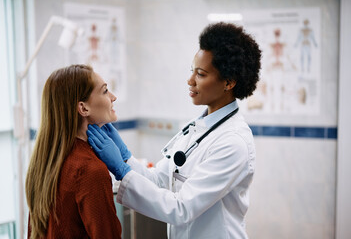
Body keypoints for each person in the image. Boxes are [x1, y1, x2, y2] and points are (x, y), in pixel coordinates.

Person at [88, 22, 261, 238]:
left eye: (201, 74)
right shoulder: (197, 128)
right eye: (192, 71)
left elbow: (181, 209)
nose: (190, 81)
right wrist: (125, 158)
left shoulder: (233, 142)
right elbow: (160, 181)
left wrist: (122, 172)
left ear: (229, 82)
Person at [25, 64, 122, 238]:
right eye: (105, 91)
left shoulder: (44, 163)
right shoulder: (90, 170)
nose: (113, 97)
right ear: (83, 108)